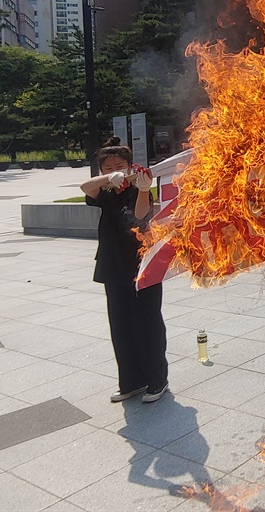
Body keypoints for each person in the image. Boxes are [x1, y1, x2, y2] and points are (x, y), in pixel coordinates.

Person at [80, 137, 169, 404]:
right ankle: (131, 381)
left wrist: (143, 189)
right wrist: (107, 179)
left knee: (147, 322)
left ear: (130, 165)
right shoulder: (106, 191)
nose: (114, 169)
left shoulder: (139, 186)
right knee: (120, 325)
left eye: (119, 165)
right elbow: (85, 187)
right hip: (112, 264)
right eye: (108, 167)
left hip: (142, 264)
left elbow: (142, 216)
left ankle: (157, 380)